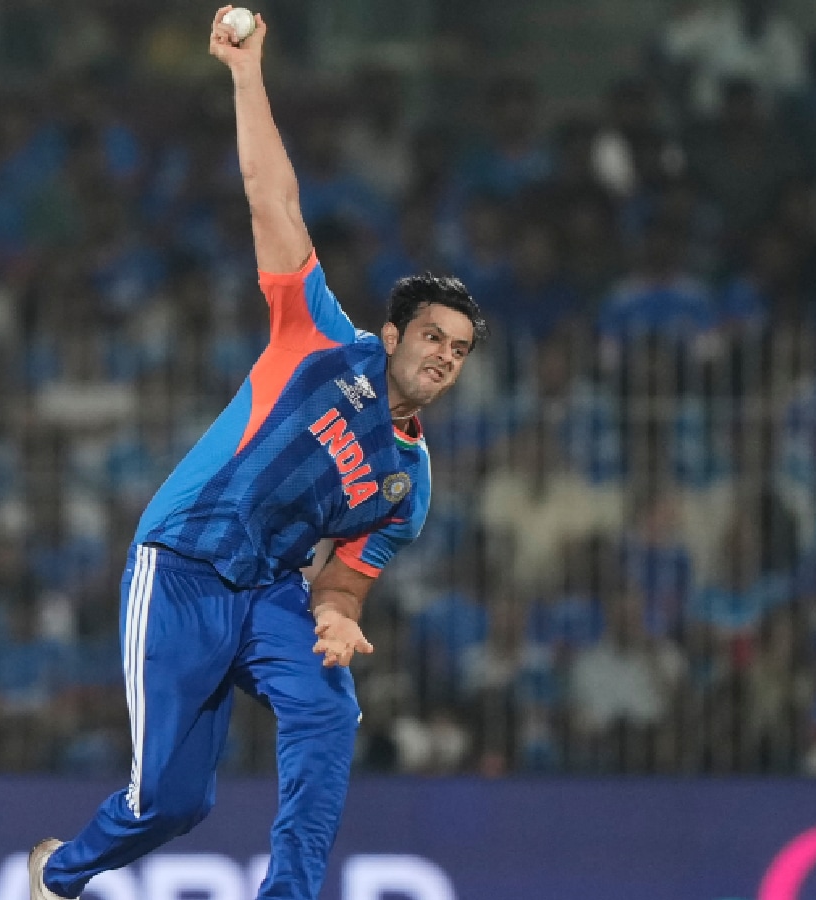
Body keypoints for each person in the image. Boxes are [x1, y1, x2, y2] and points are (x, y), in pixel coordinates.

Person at [29, 10, 486, 900]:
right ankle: (62, 875)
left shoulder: (410, 483)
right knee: (172, 801)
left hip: (272, 592)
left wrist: (340, 616)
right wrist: (245, 72)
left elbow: (345, 579)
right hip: (185, 569)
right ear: (392, 334)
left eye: (460, 349)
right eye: (431, 334)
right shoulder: (319, 339)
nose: (442, 355)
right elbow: (269, 198)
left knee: (330, 706)